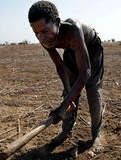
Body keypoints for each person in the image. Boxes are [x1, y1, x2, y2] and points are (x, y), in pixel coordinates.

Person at [28, 0, 104, 154]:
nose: (41, 37)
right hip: (72, 50)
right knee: (68, 94)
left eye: (44, 31)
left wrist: (63, 107)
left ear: (56, 22)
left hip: (91, 48)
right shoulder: (45, 38)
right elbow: (60, 67)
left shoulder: (73, 30)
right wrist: (68, 95)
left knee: (92, 90)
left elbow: (86, 72)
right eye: (36, 33)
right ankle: (65, 131)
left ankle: (97, 135)